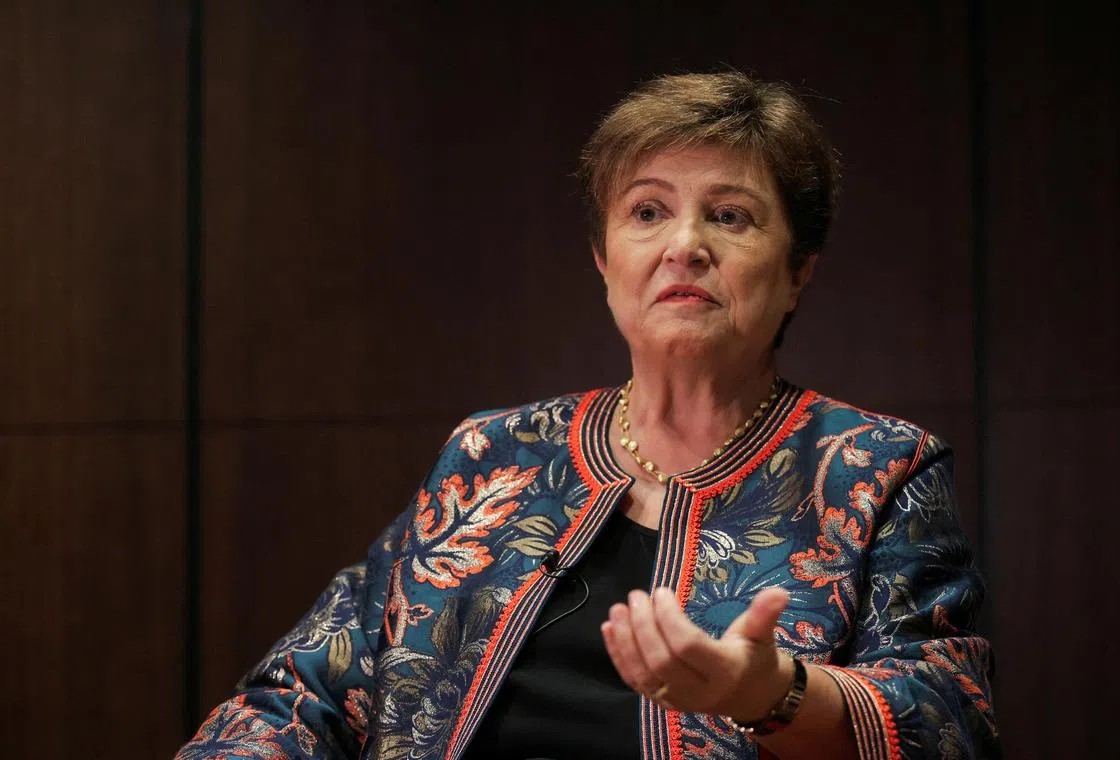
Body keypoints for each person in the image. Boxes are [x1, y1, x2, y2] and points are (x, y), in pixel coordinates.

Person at [177, 71, 1000, 760]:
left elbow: (950, 720)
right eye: (647, 212)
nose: (684, 244)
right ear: (606, 263)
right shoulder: (493, 453)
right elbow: (311, 688)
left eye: (730, 215)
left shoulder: (875, 469)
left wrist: (773, 694)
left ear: (797, 272)